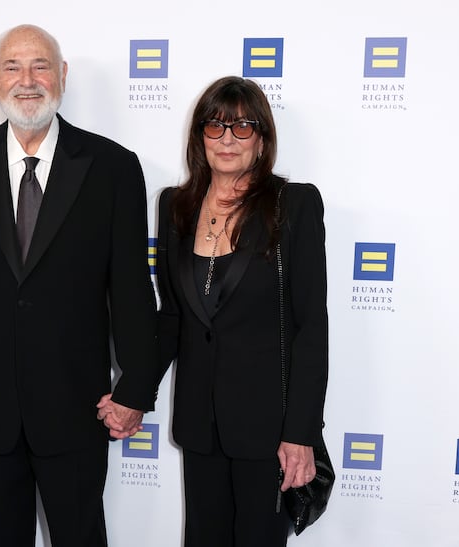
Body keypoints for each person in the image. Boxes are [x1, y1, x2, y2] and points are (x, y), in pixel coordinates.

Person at [0, 24, 157, 547]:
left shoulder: (113, 168)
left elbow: (133, 291)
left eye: (40, 65)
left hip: (77, 408)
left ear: (61, 74)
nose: (27, 80)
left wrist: (136, 388)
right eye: (12, 67)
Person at [154, 76, 328, 546]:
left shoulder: (293, 206)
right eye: (215, 126)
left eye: (242, 127)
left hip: (268, 429)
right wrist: (134, 392)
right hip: (200, 424)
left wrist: (301, 433)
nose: (227, 139)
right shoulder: (175, 207)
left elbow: (311, 327)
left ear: (262, 139)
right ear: (200, 137)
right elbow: (173, 317)